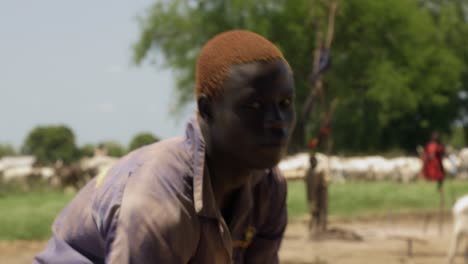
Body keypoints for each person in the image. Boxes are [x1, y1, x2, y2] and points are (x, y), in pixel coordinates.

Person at [34, 30, 296, 263]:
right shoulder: (156, 202)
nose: (276, 122)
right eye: (254, 106)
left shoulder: (268, 189)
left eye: (285, 104)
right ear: (207, 110)